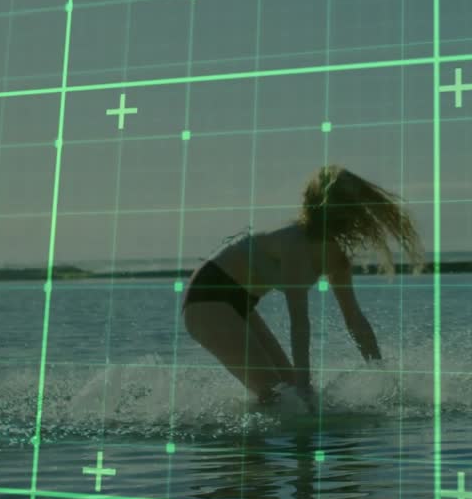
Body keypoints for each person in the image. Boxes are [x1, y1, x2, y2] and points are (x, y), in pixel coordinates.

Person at [181, 165, 423, 409]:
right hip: (207, 296)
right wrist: (304, 389)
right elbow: (299, 323)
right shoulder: (296, 242)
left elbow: (354, 319)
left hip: (241, 303)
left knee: (286, 392)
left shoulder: (338, 259)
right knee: (281, 399)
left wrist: (383, 378)